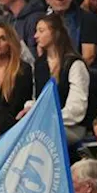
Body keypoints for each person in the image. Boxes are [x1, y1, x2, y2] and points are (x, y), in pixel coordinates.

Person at [31, 13, 89, 142]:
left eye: (41, 31)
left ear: (55, 33)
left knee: (38, 136)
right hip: (45, 122)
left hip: (70, 126)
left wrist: (48, 118)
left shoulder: (74, 64)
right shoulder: (40, 64)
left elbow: (76, 109)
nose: (35, 36)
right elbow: (37, 98)